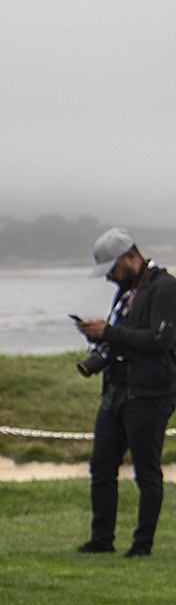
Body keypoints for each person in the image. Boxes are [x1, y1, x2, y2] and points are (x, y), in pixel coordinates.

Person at [74, 227, 175, 557]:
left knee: (146, 472)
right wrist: (100, 334)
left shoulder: (164, 288)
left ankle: (142, 546)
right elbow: (124, 336)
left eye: (112, 270)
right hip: (116, 392)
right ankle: (101, 540)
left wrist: (110, 332)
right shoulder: (128, 291)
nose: (109, 278)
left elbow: (160, 341)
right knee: (101, 467)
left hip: (149, 394)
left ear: (130, 257)